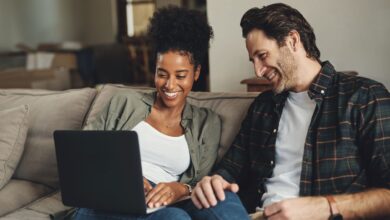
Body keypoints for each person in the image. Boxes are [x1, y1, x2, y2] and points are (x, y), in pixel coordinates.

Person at [191, 3, 390, 220]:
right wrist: (215, 181)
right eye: (253, 60)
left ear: (293, 41)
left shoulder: (364, 97)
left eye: (263, 56)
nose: (258, 71)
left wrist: (326, 207)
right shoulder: (263, 106)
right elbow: (231, 167)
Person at [72, 6, 221, 220]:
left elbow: (201, 182)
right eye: (162, 74)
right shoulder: (124, 102)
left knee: (177, 217)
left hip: (158, 208)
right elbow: (82, 151)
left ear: (196, 73)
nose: (169, 85)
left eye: (180, 76)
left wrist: (179, 189)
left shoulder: (207, 123)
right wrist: (122, 177)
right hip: (107, 202)